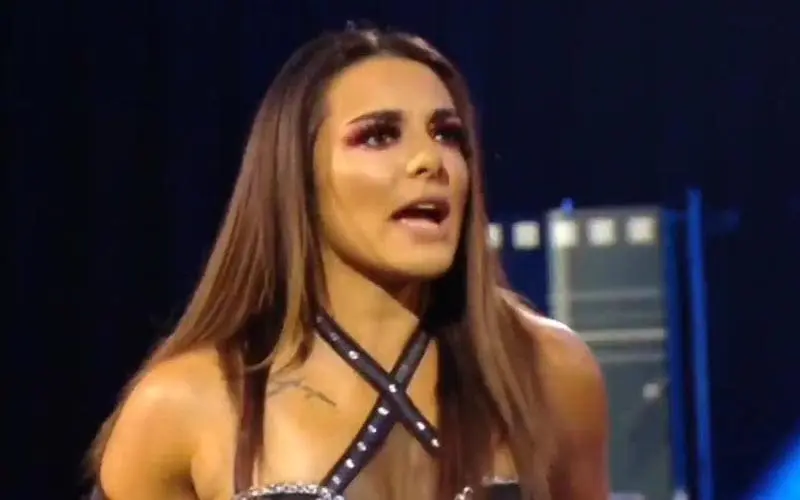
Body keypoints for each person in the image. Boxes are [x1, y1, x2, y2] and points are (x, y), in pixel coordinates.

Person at [88, 27, 609, 500]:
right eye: (379, 135)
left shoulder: (549, 370)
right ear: (298, 174)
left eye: (447, 134)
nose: (430, 160)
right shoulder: (186, 403)